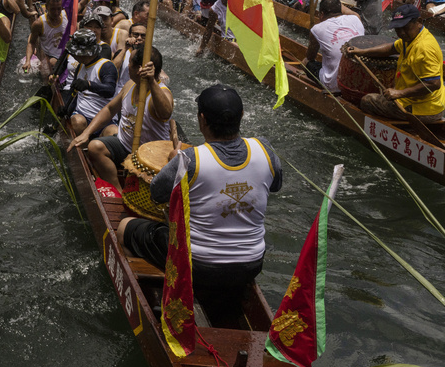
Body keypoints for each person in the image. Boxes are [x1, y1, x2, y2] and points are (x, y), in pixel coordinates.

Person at [117, 84, 283, 315]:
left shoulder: (190, 159)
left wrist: (174, 162)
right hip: (252, 264)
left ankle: (152, 300)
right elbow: (275, 185)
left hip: (197, 265)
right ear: (241, 116)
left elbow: (157, 194)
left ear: (201, 120)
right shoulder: (264, 149)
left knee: (124, 228)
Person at [68, 47, 174, 193]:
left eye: (129, 62)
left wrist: (151, 82)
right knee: (94, 147)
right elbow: (110, 109)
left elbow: (165, 113)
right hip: (125, 146)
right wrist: (86, 133)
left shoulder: (162, 93)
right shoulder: (130, 84)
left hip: (149, 156)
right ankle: (118, 190)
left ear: (139, 69)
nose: (127, 66)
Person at [345, 4, 445, 123]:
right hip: (421, 103)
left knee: (367, 101)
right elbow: (391, 48)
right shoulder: (412, 38)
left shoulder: (424, 48)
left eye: (405, 27)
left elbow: (433, 83)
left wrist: (399, 93)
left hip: (423, 109)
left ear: (419, 22)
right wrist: (361, 51)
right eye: (398, 29)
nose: (402, 33)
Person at [304, 0, 365, 91]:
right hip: (359, 80)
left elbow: (310, 57)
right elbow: (348, 11)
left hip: (334, 84)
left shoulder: (317, 29)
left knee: (305, 62)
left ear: (322, 14)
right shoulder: (355, 18)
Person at [65, 29, 118, 133]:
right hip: (82, 116)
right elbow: (73, 93)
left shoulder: (106, 66)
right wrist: (65, 110)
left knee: (113, 133)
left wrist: (89, 85)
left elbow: (110, 91)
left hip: (105, 121)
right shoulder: (80, 66)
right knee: (77, 122)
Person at [26, 0, 68, 74]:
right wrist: (28, 61)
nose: (56, 12)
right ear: (46, 7)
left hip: (66, 52)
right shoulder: (39, 23)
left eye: (58, 9)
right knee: (53, 63)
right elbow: (31, 43)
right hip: (51, 56)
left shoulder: (66, 15)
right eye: (53, 9)